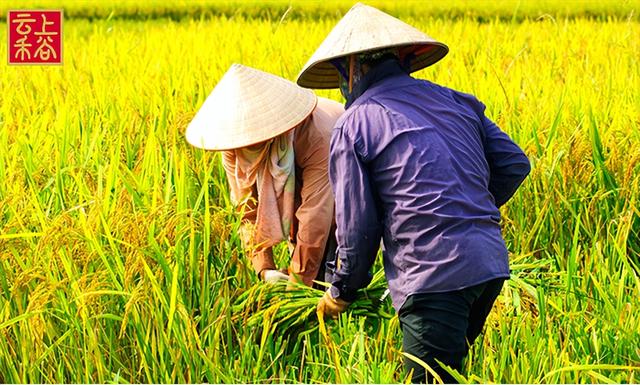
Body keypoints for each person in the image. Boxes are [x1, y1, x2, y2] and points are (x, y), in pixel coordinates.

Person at [297, 4, 531, 383]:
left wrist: (340, 290)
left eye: (343, 76)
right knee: (447, 374)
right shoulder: (457, 100)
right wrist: (462, 207)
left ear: (352, 69)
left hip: (433, 272)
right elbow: (514, 164)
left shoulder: (354, 122)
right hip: (488, 264)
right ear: (403, 59)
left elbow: (356, 228)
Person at [186, 64, 343, 286]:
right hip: (301, 196)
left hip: (341, 190)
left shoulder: (317, 134)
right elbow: (246, 210)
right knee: (301, 265)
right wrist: (264, 269)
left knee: (330, 276)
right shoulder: (233, 148)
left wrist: (297, 281)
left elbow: (315, 215)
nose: (248, 142)